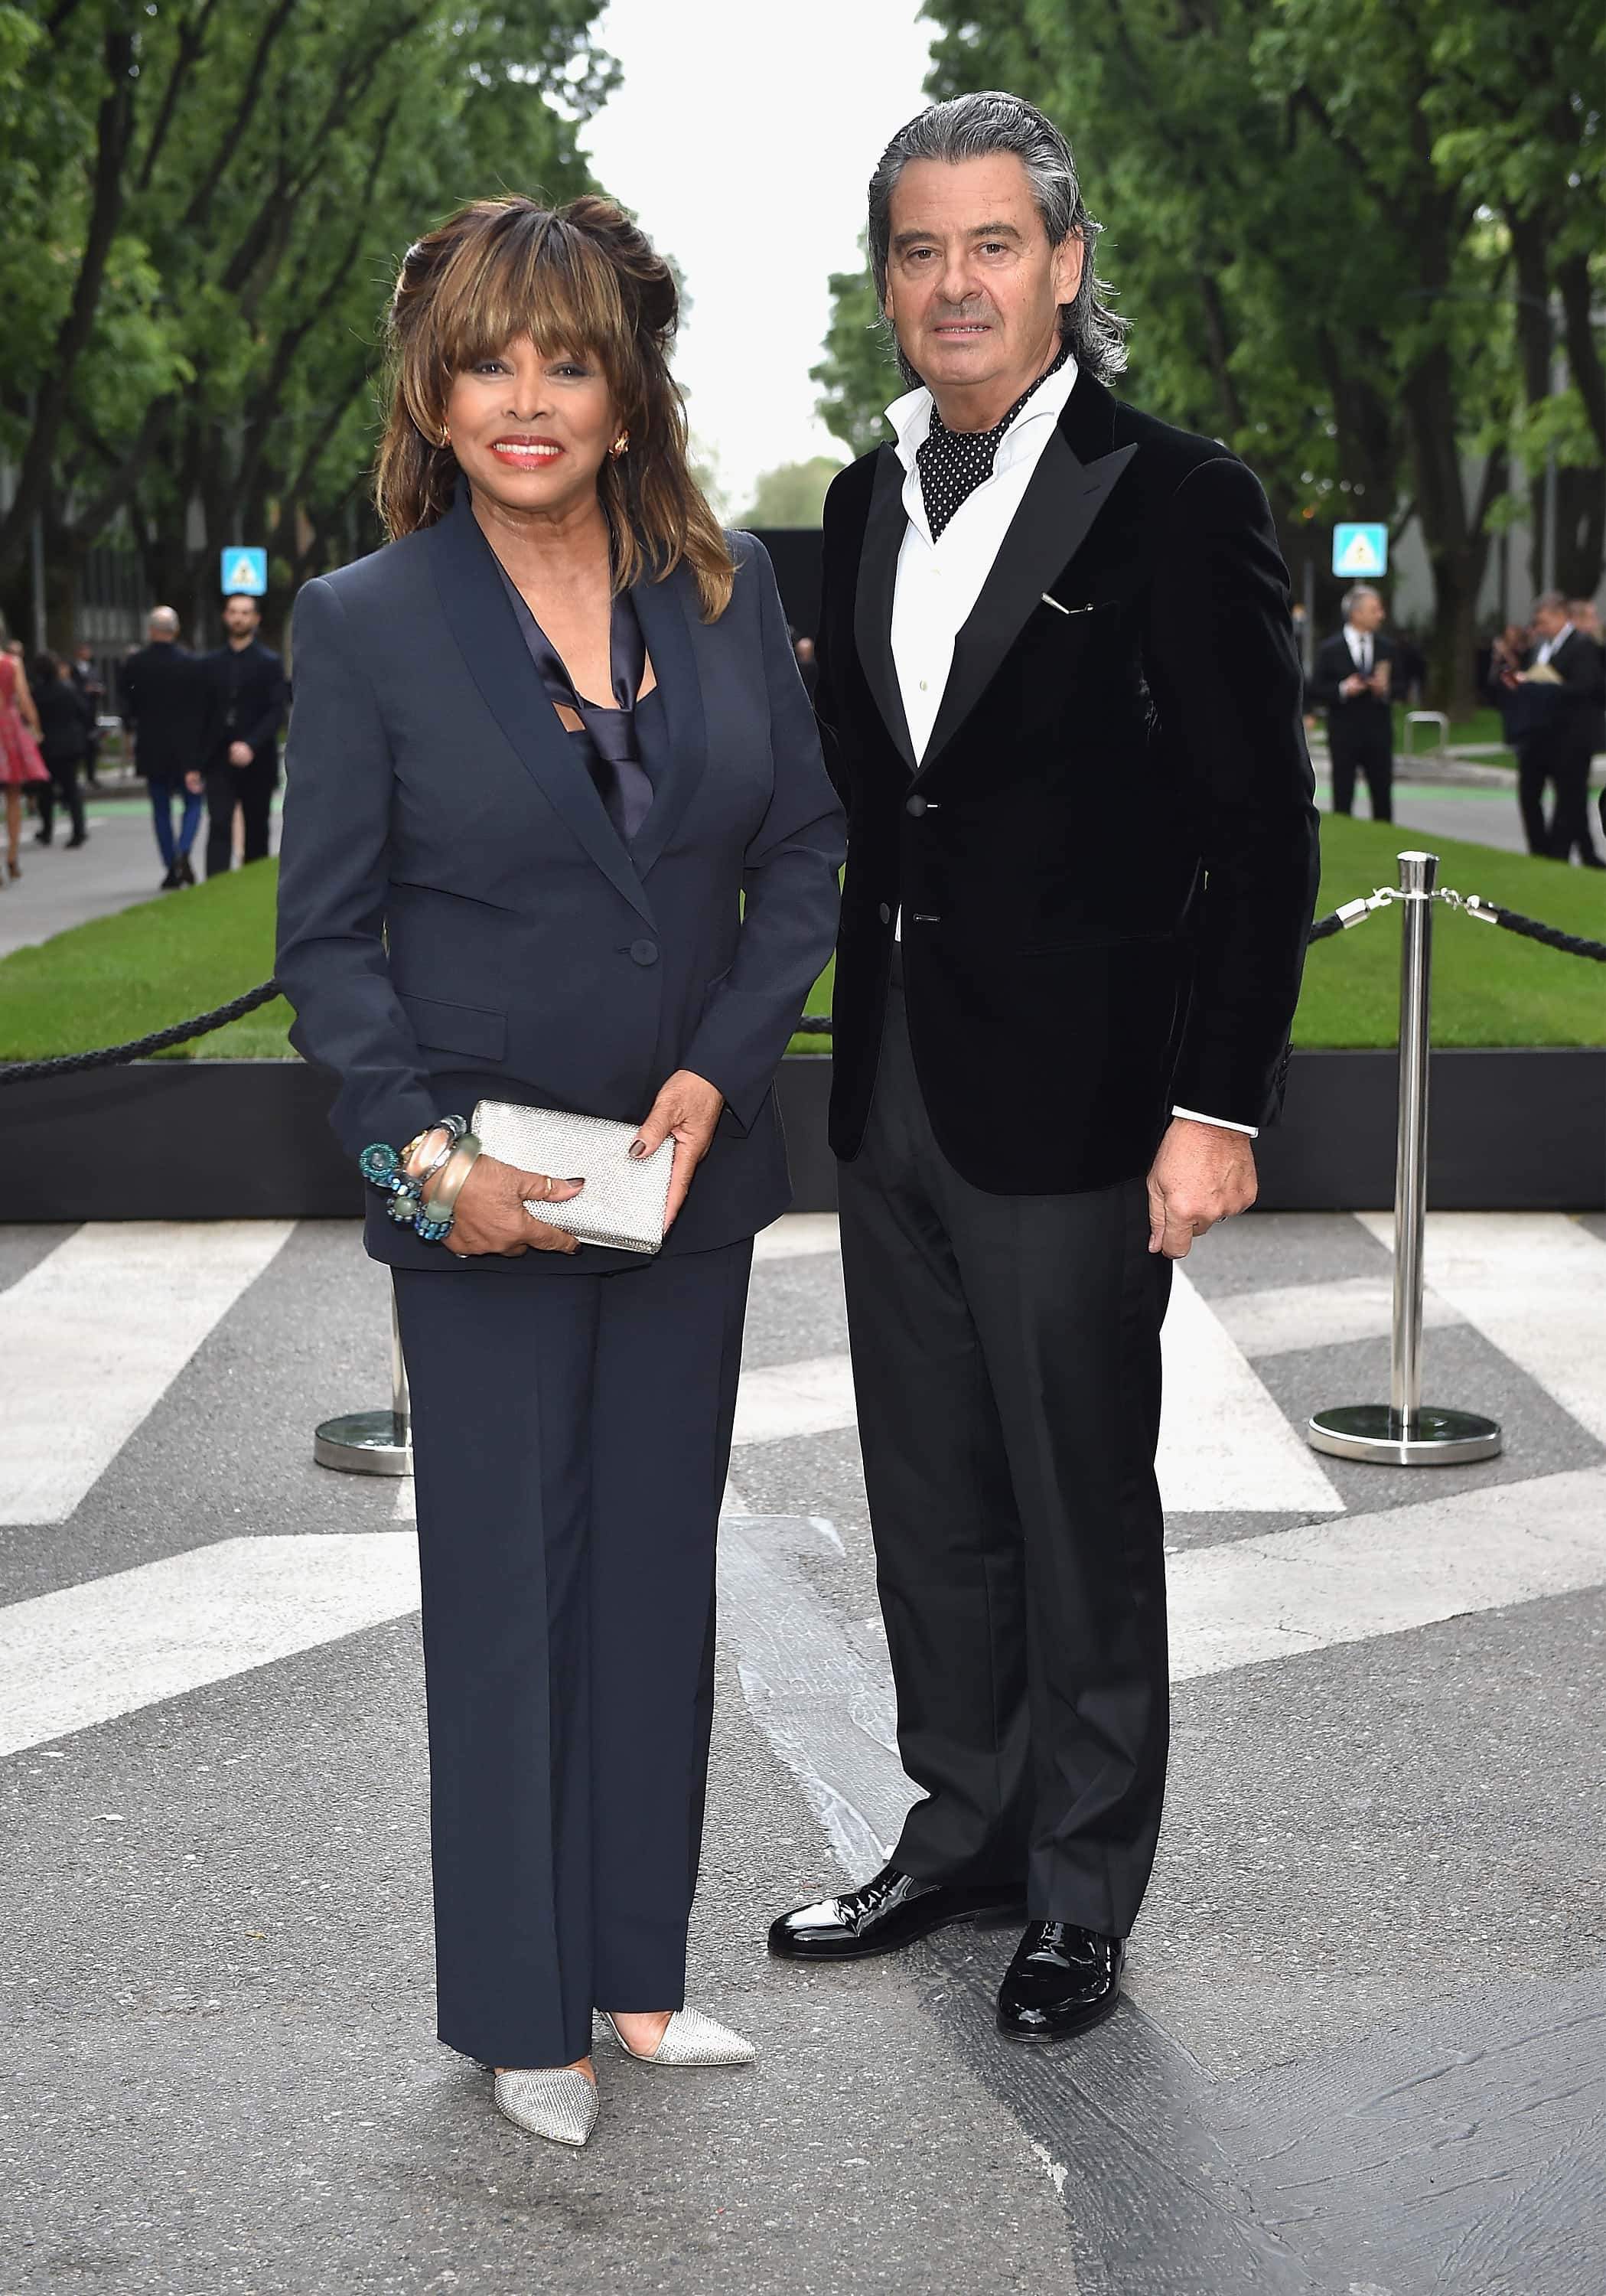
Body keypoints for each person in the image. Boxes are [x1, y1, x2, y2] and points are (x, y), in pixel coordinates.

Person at [274, 194, 844, 2148]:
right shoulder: (360, 626)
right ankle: (518, 2007)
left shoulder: (722, 588)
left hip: (680, 1183)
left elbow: (808, 859)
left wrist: (716, 1066)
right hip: (487, 1195)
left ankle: (630, 1974)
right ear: (431, 394)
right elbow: (329, 951)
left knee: (648, 1592)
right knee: (504, 1596)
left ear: (624, 390)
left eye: (566, 359)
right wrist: (428, 1166)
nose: (525, 398)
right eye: (487, 361)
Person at [770, 93, 1319, 2043]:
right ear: (888, 280)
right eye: (917, 250)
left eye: (990, 245)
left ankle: (1080, 1890)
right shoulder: (857, 499)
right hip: (891, 1083)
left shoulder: (1174, 494)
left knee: (1074, 1496)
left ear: (1064, 266)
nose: (953, 283)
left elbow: (1260, 829)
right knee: (928, 1489)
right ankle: (964, 1823)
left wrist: (1214, 1101)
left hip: (1085, 1100)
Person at [1497, 592, 1605, 866]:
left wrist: (1538, 686)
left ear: (1560, 616)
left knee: (1568, 799)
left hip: (1571, 736)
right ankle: (1540, 850)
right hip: (1539, 734)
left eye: (1543, 621)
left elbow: (1585, 687)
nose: (1539, 627)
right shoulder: (1539, 648)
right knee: (1529, 792)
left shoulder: (1582, 646)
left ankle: (1558, 856)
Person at [200, 592, 288, 876]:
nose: (239, 617)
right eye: (233, 612)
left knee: (257, 826)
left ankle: (253, 884)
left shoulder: (270, 663)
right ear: (226, 617)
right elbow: (202, 713)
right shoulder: (211, 664)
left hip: (258, 757)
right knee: (219, 823)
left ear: (256, 618)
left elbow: (277, 711)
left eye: (245, 612)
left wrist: (250, 744)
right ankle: (214, 889)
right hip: (218, 757)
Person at [119, 607, 209, 888]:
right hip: (186, 748)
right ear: (176, 630)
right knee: (193, 802)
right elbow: (201, 709)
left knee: (160, 809)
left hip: (152, 745)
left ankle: (171, 866)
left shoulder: (135, 664)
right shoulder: (192, 664)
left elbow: (128, 708)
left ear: (150, 630)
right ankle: (184, 848)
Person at [1308, 584, 1396, 820]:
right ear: (1356, 613)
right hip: (1344, 730)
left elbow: (1402, 685)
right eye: (1375, 609)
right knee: (1343, 790)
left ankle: (1384, 838)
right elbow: (1315, 689)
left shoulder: (1387, 647)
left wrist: (1385, 688)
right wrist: (1344, 689)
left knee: (1382, 792)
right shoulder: (1330, 649)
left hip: (1378, 730)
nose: (1381, 615)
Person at [0, 612, 50, 882]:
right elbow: (24, 699)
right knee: (13, 797)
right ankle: (12, 855)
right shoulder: (11, 663)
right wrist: (36, 728)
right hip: (7, 729)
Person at [30, 650, 93, 848]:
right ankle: (79, 831)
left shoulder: (36, 694)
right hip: (70, 744)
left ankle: (47, 830)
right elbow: (83, 712)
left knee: (45, 791)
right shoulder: (68, 689)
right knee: (71, 789)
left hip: (46, 745)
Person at [70, 644, 105, 787]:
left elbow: (100, 685)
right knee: (77, 746)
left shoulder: (94, 670)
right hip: (77, 715)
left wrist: (97, 690)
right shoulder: (72, 669)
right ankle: (74, 777)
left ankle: (91, 776)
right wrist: (84, 690)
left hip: (91, 713)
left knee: (92, 745)